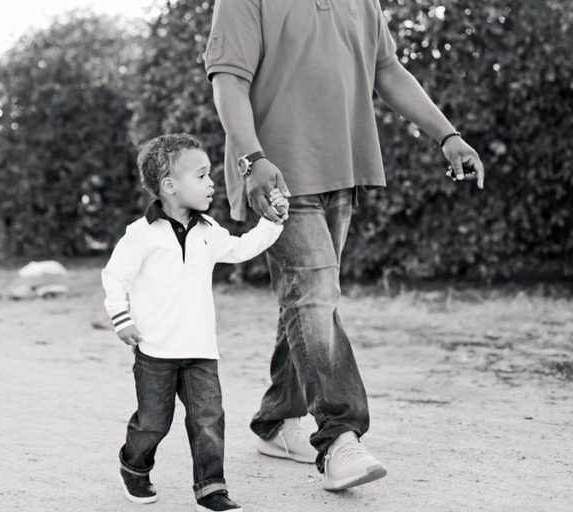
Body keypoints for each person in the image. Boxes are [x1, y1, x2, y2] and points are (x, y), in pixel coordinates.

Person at [205, 0, 485, 492]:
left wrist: (447, 134)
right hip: (275, 173)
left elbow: (388, 69)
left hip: (341, 169)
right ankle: (339, 438)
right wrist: (252, 159)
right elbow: (228, 80)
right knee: (313, 296)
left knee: (307, 299)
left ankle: (275, 419)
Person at [101, 133, 289, 511]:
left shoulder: (209, 231)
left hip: (201, 350)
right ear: (169, 186)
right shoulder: (141, 235)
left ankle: (211, 488)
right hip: (155, 350)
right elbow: (114, 276)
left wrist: (274, 220)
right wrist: (122, 319)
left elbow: (241, 248)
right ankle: (134, 468)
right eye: (201, 176)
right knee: (153, 422)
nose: (211, 183)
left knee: (209, 420)